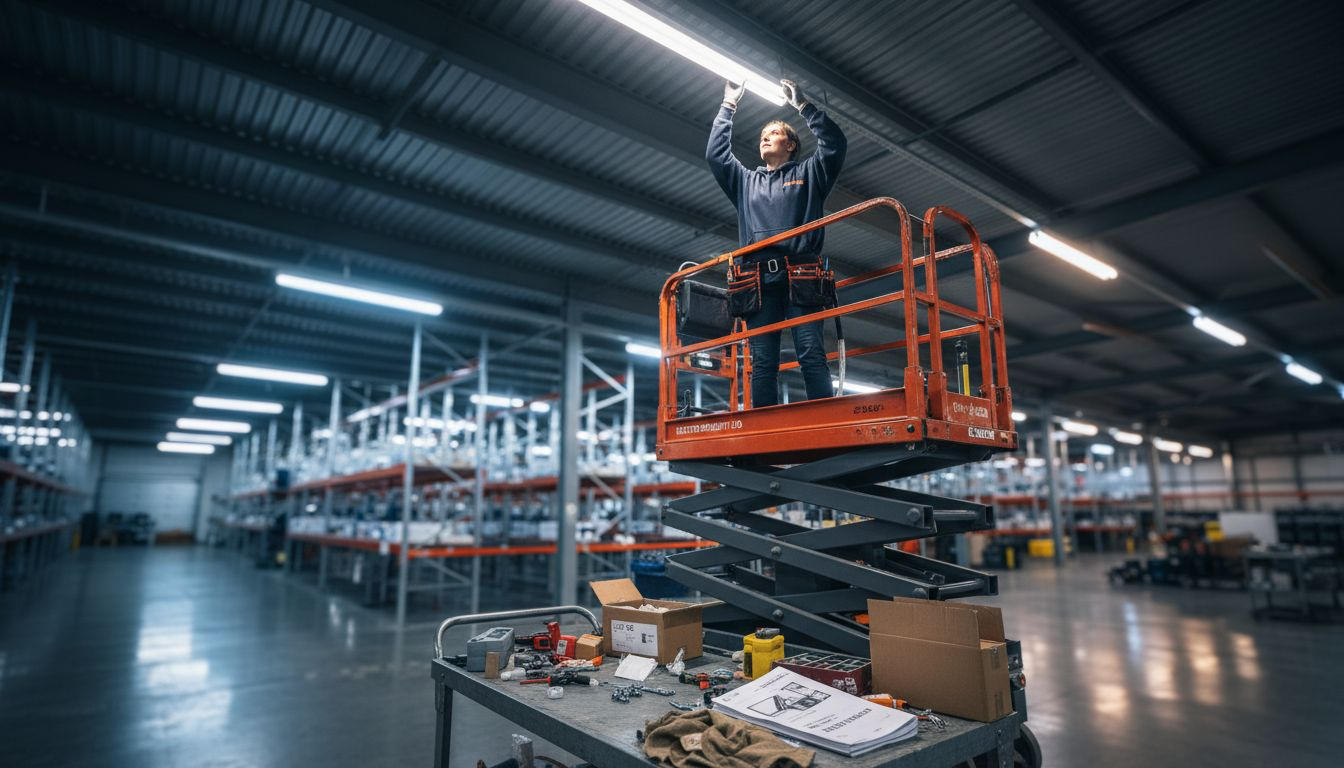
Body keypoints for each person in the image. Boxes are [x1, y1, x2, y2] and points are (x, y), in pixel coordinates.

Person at [706, 78, 847, 407]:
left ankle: (824, 424)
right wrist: (728, 105)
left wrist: (804, 106)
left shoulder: (811, 174)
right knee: (763, 364)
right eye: (761, 137)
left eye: (773, 134)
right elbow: (716, 156)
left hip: (802, 276)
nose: (765, 140)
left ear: (791, 145)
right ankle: (763, 433)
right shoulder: (745, 182)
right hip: (758, 281)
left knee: (812, 355)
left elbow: (835, 144)